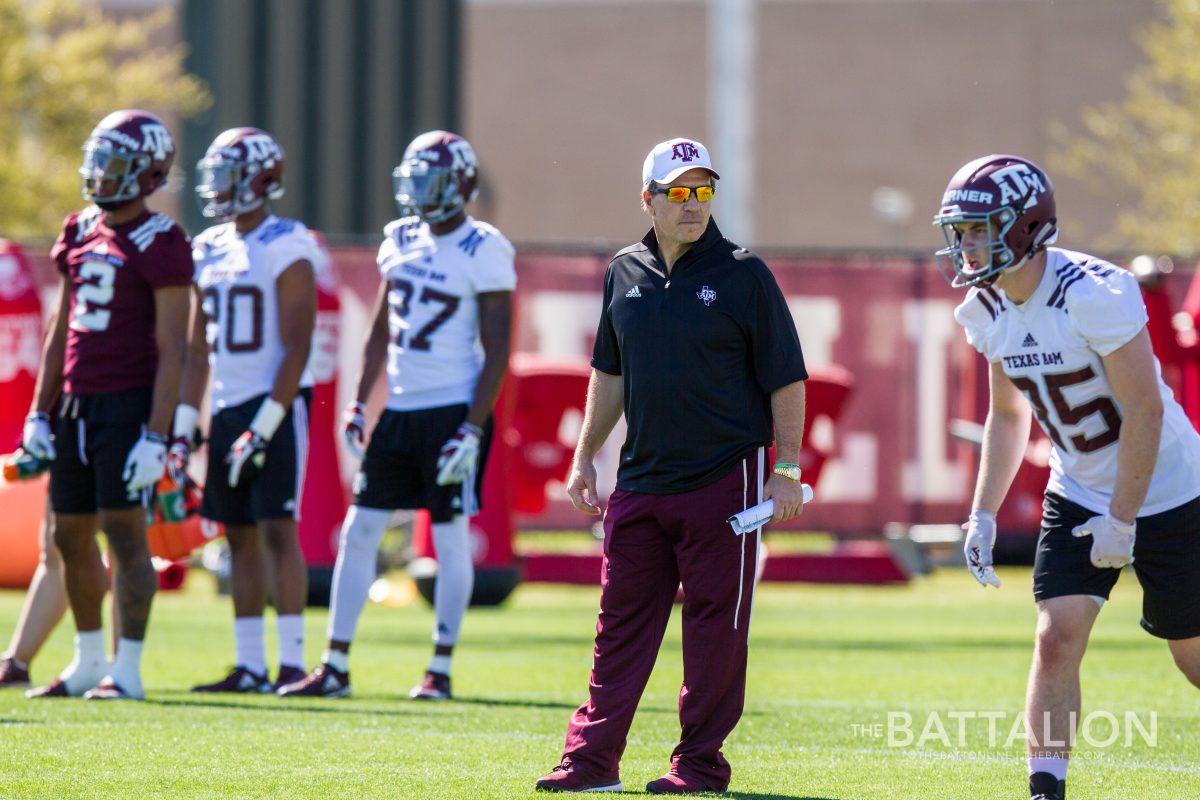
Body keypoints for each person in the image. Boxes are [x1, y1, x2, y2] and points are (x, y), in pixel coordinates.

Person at [535, 138, 808, 795]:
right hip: (641, 481)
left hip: (726, 480)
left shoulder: (745, 274)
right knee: (617, 627)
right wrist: (583, 459)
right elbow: (609, 372)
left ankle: (699, 766)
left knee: (715, 633)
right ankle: (593, 762)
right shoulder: (623, 270)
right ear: (648, 199)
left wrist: (788, 467)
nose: (693, 205)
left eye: (703, 190)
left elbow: (787, 379)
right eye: (679, 192)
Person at [935, 155, 1200, 800]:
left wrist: (1124, 518)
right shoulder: (986, 308)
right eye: (961, 231)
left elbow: (1144, 409)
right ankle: (1045, 788)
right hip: (1079, 486)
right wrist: (984, 513)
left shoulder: (1093, 293)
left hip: (1168, 489)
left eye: (980, 229)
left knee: (1192, 658)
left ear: (1026, 228)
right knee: (1056, 635)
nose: (966, 245)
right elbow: (1005, 416)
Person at [278, 130, 514, 701]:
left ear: (459, 185)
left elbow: (498, 348)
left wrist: (472, 428)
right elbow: (383, 328)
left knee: (450, 537)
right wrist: (361, 399)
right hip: (401, 410)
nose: (419, 193)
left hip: (451, 409)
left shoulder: (484, 249)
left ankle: (440, 666)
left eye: (430, 181)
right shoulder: (401, 239)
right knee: (360, 530)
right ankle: (333, 664)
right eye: (415, 181)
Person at [22, 109, 193, 700]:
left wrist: (157, 433)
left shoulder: (163, 241)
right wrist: (39, 412)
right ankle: (88, 661)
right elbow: (59, 327)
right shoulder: (77, 229)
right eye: (98, 160)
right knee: (68, 535)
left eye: (114, 163)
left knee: (125, 534)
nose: (100, 174)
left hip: (127, 405)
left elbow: (176, 346)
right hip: (75, 403)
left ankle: (130, 668)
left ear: (148, 175)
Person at [174, 127, 317, 693]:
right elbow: (195, 346)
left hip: (276, 404)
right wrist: (186, 424)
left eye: (230, 174)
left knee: (278, 528)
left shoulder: (289, 243)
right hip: (230, 405)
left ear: (262, 179)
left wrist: (264, 425)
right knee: (236, 534)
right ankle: (249, 664)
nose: (220, 187)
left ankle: (291, 663)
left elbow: (298, 345)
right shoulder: (207, 246)